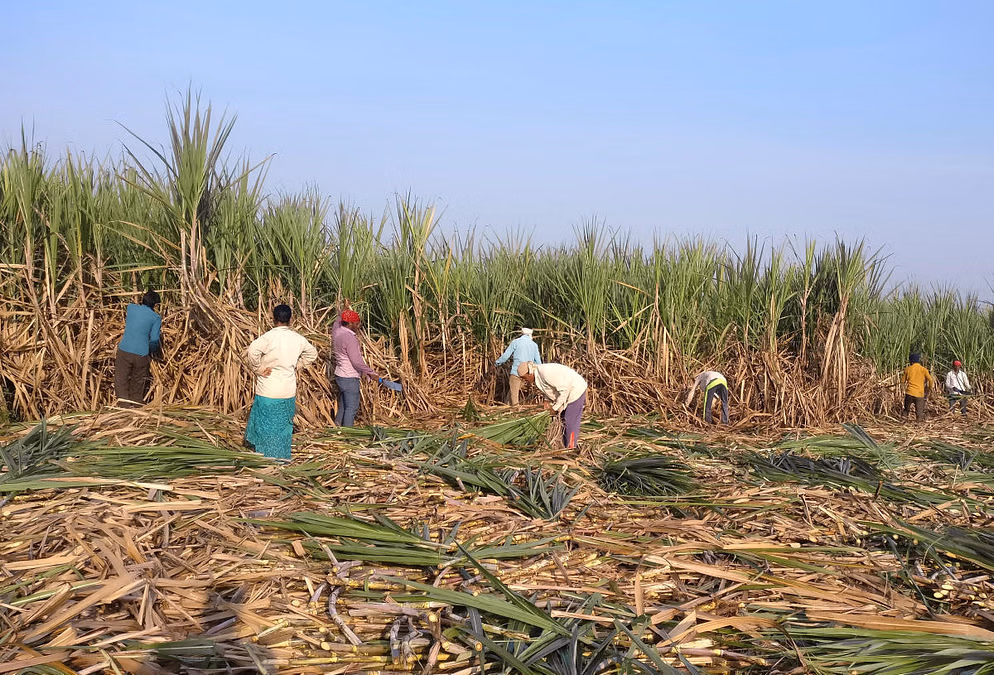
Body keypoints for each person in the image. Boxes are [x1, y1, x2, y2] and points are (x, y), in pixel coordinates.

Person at [244, 304, 318, 460]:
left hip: (269, 388)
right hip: (287, 389)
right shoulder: (297, 339)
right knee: (283, 427)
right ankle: (281, 458)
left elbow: (252, 351)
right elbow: (312, 353)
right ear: (290, 319)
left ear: (273, 319)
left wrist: (258, 368)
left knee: (266, 427)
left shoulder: (268, 337)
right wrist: (297, 366)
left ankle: (264, 459)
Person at [331, 302, 381, 427]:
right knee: (351, 407)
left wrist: (344, 310)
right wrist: (370, 372)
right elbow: (356, 361)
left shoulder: (336, 331)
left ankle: (337, 430)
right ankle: (348, 435)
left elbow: (337, 321)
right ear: (351, 324)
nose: (358, 326)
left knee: (344, 405)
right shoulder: (349, 338)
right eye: (357, 323)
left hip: (340, 375)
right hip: (349, 377)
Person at [517, 361, 587, 449]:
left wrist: (555, 408)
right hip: (566, 393)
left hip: (575, 391)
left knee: (570, 421)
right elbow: (548, 387)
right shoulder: (538, 375)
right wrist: (546, 400)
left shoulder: (546, 373)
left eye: (524, 377)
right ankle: (563, 444)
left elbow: (564, 390)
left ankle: (571, 448)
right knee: (562, 420)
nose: (524, 380)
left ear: (529, 373)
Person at [115, 289, 163, 408]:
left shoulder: (131, 308)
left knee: (121, 380)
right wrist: (153, 350)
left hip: (125, 350)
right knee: (138, 382)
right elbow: (154, 340)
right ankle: (136, 408)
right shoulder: (156, 318)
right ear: (155, 305)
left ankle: (124, 407)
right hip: (141, 354)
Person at [495, 328, 542, 405]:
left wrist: (496, 363)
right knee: (512, 392)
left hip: (516, 372)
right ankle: (505, 409)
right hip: (526, 374)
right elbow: (538, 362)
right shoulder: (534, 345)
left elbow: (505, 356)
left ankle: (515, 413)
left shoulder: (516, 342)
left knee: (514, 396)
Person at [903, 353, 936, 422]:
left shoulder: (908, 369)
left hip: (909, 392)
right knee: (919, 412)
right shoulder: (924, 370)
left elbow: (902, 381)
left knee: (906, 409)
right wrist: (929, 388)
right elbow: (930, 380)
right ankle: (918, 424)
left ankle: (904, 421)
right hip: (919, 394)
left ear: (911, 361)